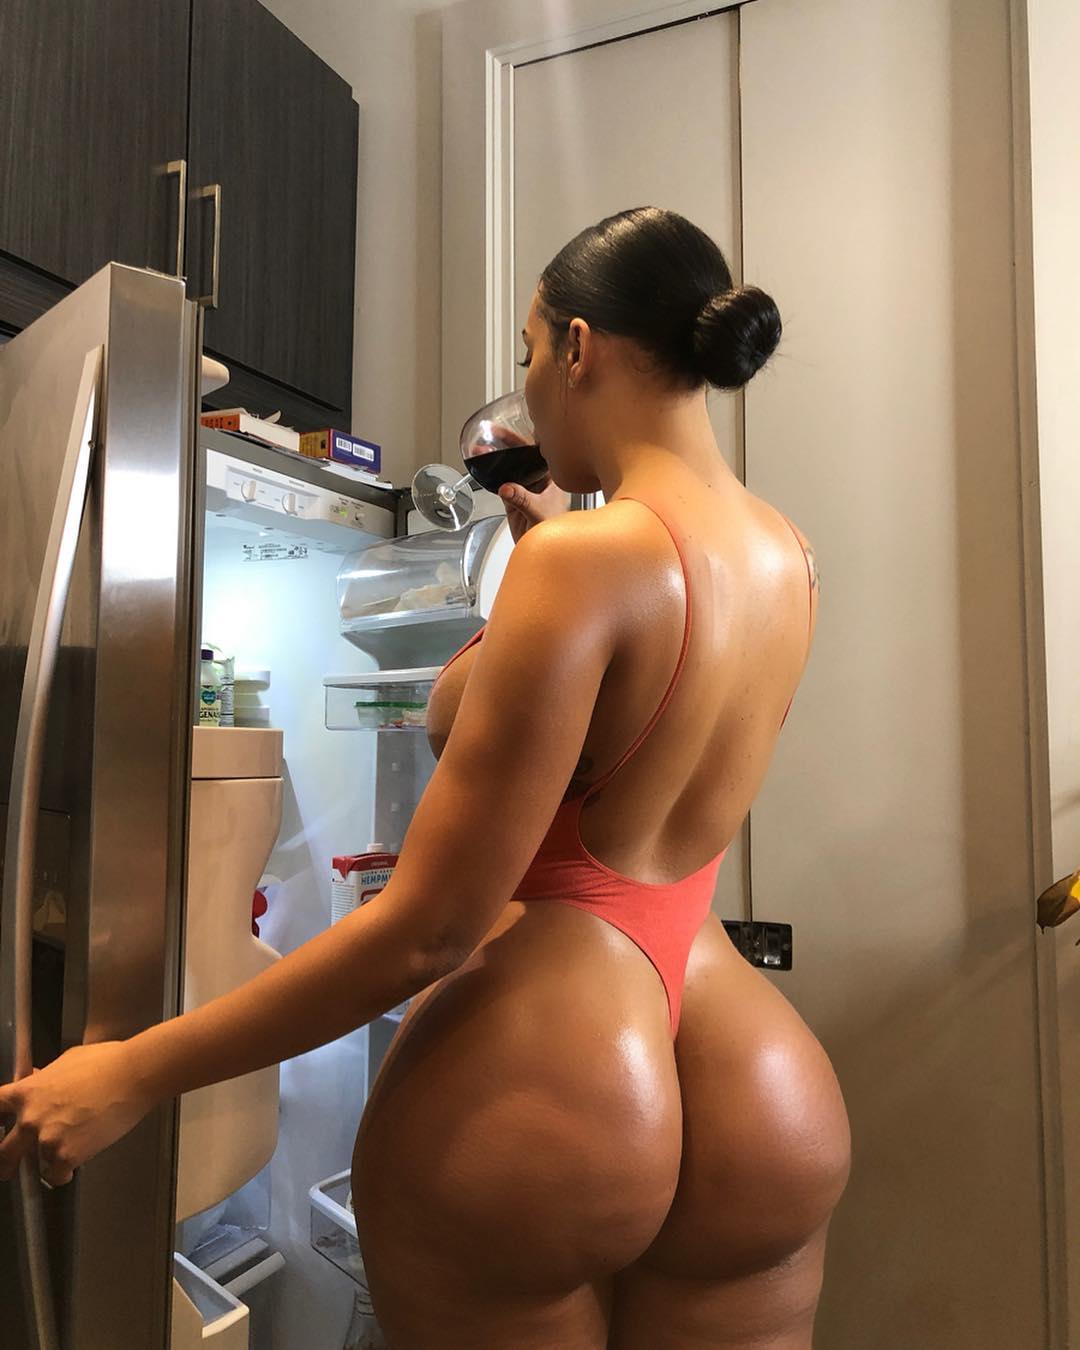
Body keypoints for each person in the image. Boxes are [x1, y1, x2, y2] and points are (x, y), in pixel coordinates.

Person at [0, 207, 850, 1349]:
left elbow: (427, 934)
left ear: (579, 348)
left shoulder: (585, 562)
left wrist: (130, 1073)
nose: (529, 386)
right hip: (751, 1071)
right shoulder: (789, 553)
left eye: (529, 351)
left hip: (557, 1066)